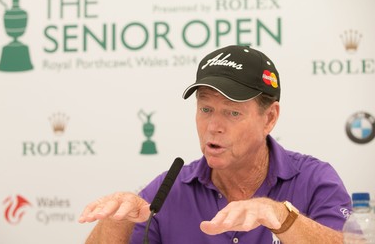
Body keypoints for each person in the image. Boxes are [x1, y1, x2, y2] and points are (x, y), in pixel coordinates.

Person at [78, 45, 352, 243]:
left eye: (232, 112)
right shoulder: (168, 190)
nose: (213, 127)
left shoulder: (315, 181)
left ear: (269, 118)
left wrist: (281, 216)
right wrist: (116, 221)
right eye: (205, 109)